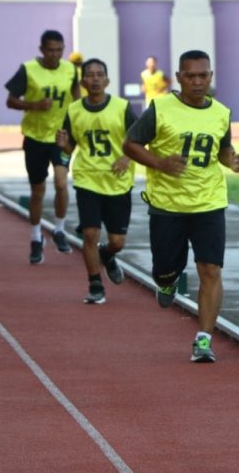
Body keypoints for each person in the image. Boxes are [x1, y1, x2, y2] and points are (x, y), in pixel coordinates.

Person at [124, 49, 239, 363]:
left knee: (211, 270)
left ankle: (203, 339)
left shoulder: (221, 112)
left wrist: (230, 159)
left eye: (203, 75)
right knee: (164, 270)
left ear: (211, 76)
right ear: (178, 78)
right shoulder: (160, 109)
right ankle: (167, 281)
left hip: (209, 202)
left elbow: (222, 148)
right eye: (190, 75)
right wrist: (160, 163)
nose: (197, 81)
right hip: (168, 206)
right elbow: (130, 144)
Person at [56, 58, 138, 304]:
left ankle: (108, 255)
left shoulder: (122, 108)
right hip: (87, 179)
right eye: (89, 75)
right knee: (90, 234)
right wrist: (64, 149)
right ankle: (95, 284)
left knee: (117, 241)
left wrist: (125, 157)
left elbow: (139, 141)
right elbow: (68, 147)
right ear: (82, 82)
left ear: (107, 80)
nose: (94, 79)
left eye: (99, 74)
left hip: (117, 182)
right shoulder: (74, 110)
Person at [5, 29, 80, 264]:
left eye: (59, 50)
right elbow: (10, 100)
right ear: (41, 50)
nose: (55, 55)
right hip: (35, 137)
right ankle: (36, 236)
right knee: (37, 191)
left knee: (61, 183)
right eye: (50, 50)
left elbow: (77, 100)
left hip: (60, 136)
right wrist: (33, 105)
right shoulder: (28, 69)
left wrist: (77, 126)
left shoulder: (70, 70)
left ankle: (59, 229)